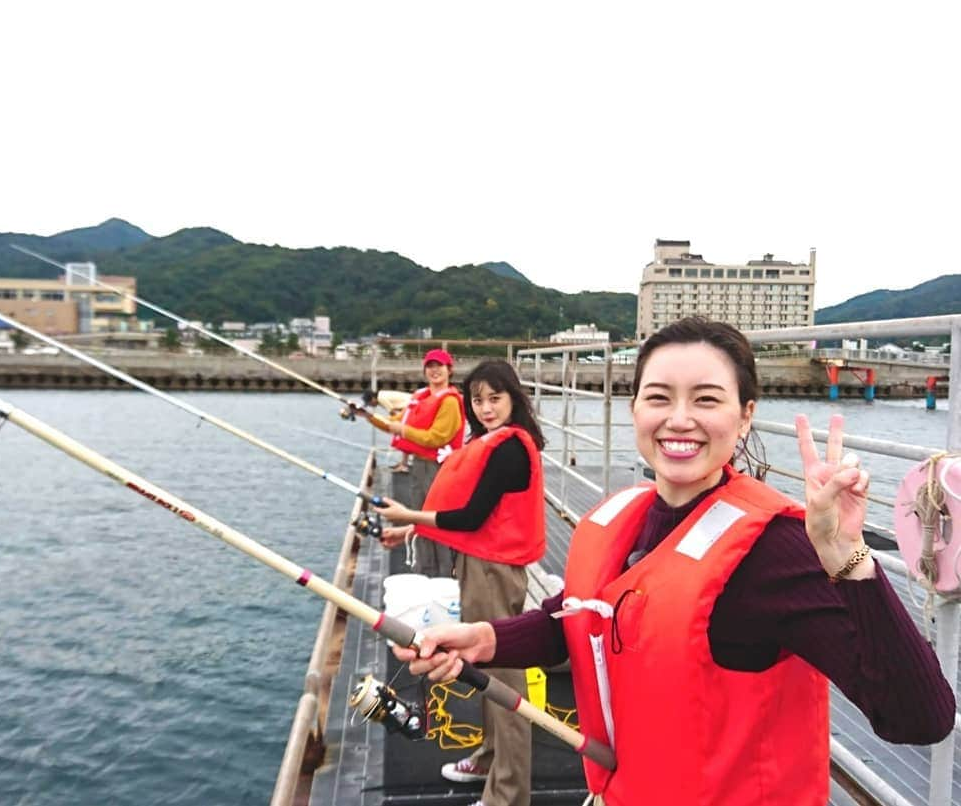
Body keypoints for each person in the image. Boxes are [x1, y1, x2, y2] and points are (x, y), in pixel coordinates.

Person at [393, 317, 955, 806]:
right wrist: (485, 639)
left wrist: (847, 558)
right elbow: (579, 617)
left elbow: (918, 716)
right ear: (634, 407)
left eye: (707, 399)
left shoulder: (774, 550)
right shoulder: (626, 514)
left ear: (745, 416)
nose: (679, 419)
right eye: (659, 397)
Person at [376, 359, 546, 806]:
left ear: (514, 398)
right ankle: (491, 758)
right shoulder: (490, 441)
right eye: (478, 400)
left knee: (504, 681)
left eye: (496, 398)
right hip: (479, 563)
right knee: (485, 670)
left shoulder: (510, 449)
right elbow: (470, 515)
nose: (487, 408)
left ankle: (508, 796)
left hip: (494, 571)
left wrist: (408, 515)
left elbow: (470, 516)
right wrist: (411, 530)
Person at [361, 348, 466, 576]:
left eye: (439, 365)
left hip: (439, 468)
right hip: (420, 467)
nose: (434, 370)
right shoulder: (421, 397)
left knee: (437, 519)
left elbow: (438, 437)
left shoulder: (448, 401)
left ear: (450, 370)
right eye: (430, 366)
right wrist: (368, 416)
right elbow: (394, 422)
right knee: (420, 518)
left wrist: (404, 431)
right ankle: (426, 570)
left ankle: (446, 574)